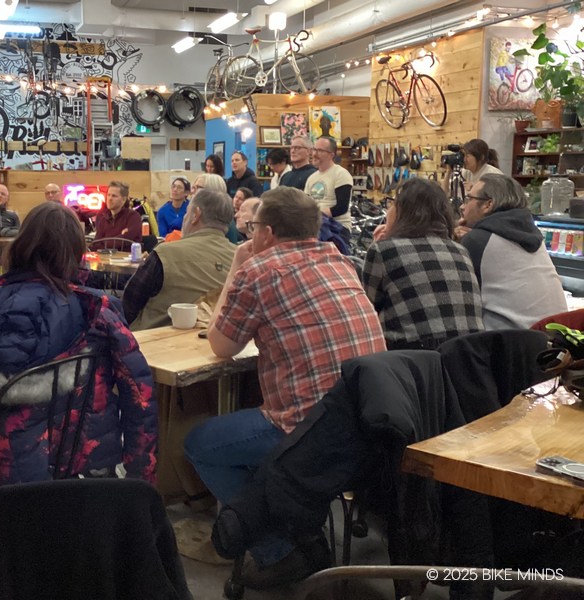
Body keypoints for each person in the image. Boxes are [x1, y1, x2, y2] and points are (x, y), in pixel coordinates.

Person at [185, 187, 386, 588]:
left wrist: (237, 267)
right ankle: (297, 522)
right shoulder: (341, 261)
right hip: (370, 425)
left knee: (200, 444)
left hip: (310, 431)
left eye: (253, 227)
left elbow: (221, 345)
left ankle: (278, 549)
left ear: (267, 232)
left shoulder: (260, 270)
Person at [0, 202, 158, 505]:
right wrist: (141, 484)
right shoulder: (98, 312)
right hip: (81, 477)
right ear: (74, 253)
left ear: (22, 244)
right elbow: (140, 396)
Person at [361, 178, 484, 350]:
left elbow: (366, 311)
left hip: (413, 357)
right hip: (466, 354)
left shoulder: (384, 251)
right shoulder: (460, 250)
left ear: (402, 210)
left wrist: (377, 244)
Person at [456, 174, 567, 330]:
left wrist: (454, 243)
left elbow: (458, 299)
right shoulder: (534, 235)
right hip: (556, 341)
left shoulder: (477, 240)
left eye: (468, 199)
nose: (462, 206)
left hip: (512, 346)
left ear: (488, 205)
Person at [123, 189, 237, 330]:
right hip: (216, 343)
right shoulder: (240, 258)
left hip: (156, 343)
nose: (184, 218)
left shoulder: (165, 252)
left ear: (196, 215)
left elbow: (130, 302)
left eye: (187, 213)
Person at [304, 136, 353, 233]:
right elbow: (306, 205)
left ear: (331, 155)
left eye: (320, 151)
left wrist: (314, 215)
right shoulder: (311, 178)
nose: (314, 154)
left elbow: (341, 208)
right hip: (317, 226)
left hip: (337, 227)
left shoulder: (341, 174)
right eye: (314, 150)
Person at [91, 181, 142, 251]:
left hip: (127, 259)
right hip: (105, 259)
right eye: (108, 195)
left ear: (124, 199)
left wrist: (104, 243)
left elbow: (126, 239)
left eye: (114, 196)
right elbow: (96, 244)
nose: (109, 199)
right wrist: (117, 239)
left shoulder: (133, 217)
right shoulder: (102, 217)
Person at [192, 174, 241, 243]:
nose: (193, 192)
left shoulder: (222, 222)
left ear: (214, 191)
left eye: (199, 188)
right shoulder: (199, 215)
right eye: (193, 187)